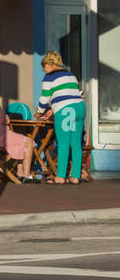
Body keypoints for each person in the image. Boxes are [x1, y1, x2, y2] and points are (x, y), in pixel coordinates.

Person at [37, 51, 87, 184]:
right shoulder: (70, 74)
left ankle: (60, 176)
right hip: (80, 108)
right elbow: (74, 93)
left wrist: (40, 111)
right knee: (76, 143)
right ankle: (75, 176)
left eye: (44, 67)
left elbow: (44, 97)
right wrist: (53, 110)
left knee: (63, 143)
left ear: (48, 64)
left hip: (66, 111)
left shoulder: (50, 76)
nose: (44, 70)